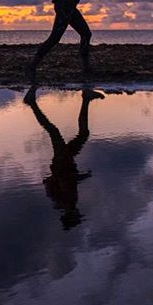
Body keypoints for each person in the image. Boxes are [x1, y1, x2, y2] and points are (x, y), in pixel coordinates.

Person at [24, 86, 104, 229]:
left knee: (55, 130)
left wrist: (79, 177)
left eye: (76, 216)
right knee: (80, 134)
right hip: (65, 160)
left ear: (70, 215)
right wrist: (81, 176)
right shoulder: (66, 202)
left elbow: (64, 180)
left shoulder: (65, 202)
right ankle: (86, 99)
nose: (78, 212)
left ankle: (31, 103)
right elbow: (63, 181)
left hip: (63, 160)